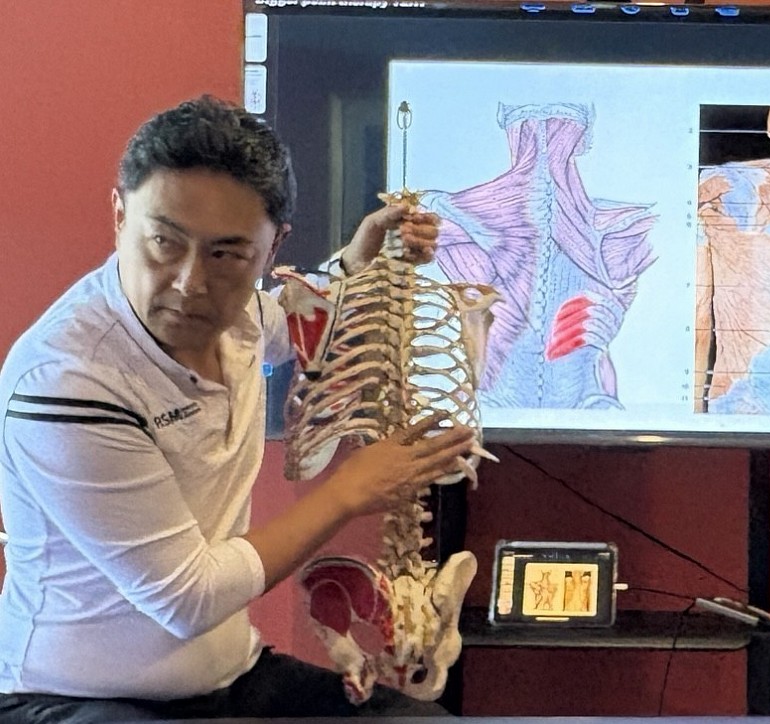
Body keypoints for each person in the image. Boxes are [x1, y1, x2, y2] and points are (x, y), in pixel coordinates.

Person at [0, 95, 475, 722]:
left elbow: (301, 321)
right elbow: (186, 599)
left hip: (232, 678)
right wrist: (351, 491)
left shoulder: (243, 316)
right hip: (76, 699)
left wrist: (359, 262)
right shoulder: (68, 379)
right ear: (119, 216)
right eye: (164, 242)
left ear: (271, 248)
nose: (189, 283)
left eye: (227, 254)